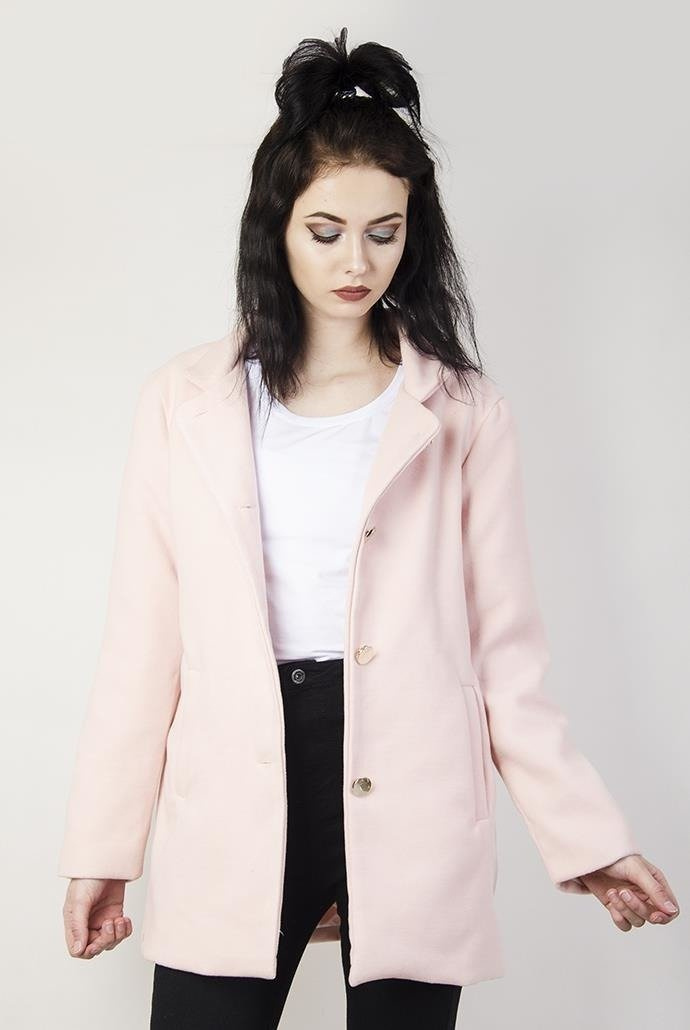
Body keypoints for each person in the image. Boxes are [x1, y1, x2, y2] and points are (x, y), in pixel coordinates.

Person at [59, 26, 679, 1029]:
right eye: (327, 230)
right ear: (276, 225)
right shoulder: (185, 403)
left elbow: (505, 659)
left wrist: (590, 841)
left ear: (413, 232)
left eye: (384, 232)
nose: (357, 261)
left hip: (415, 782)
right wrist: (103, 849)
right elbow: (144, 648)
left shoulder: (464, 412)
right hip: (236, 783)